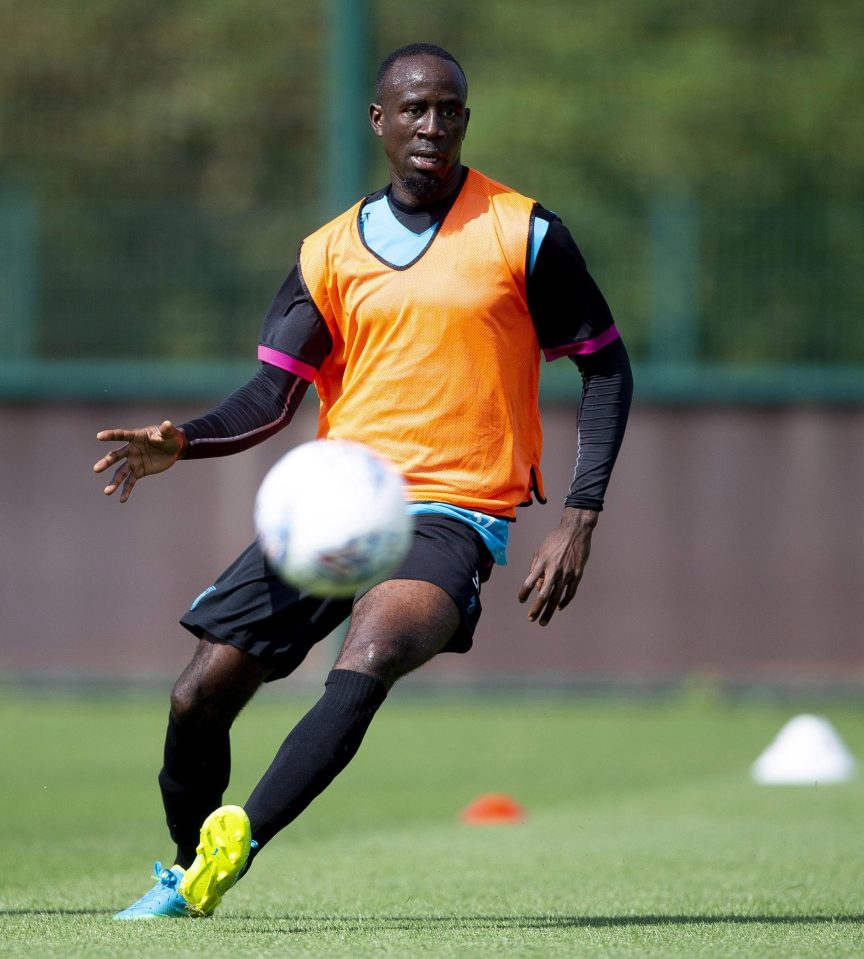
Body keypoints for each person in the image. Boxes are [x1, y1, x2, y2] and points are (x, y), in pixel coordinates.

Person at [94, 42, 633, 920]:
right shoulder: (329, 251)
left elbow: (606, 368)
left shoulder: (524, 232)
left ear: (466, 120)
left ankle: (240, 840)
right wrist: (181, 440)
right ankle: (188, 873)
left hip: (454, 510)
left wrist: (581, 513)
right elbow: (273, 397)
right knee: (198, 693)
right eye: (414, 109)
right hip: (335, 505)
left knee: (372, 651)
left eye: (450, 110)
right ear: (379, 120)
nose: (433, 126)